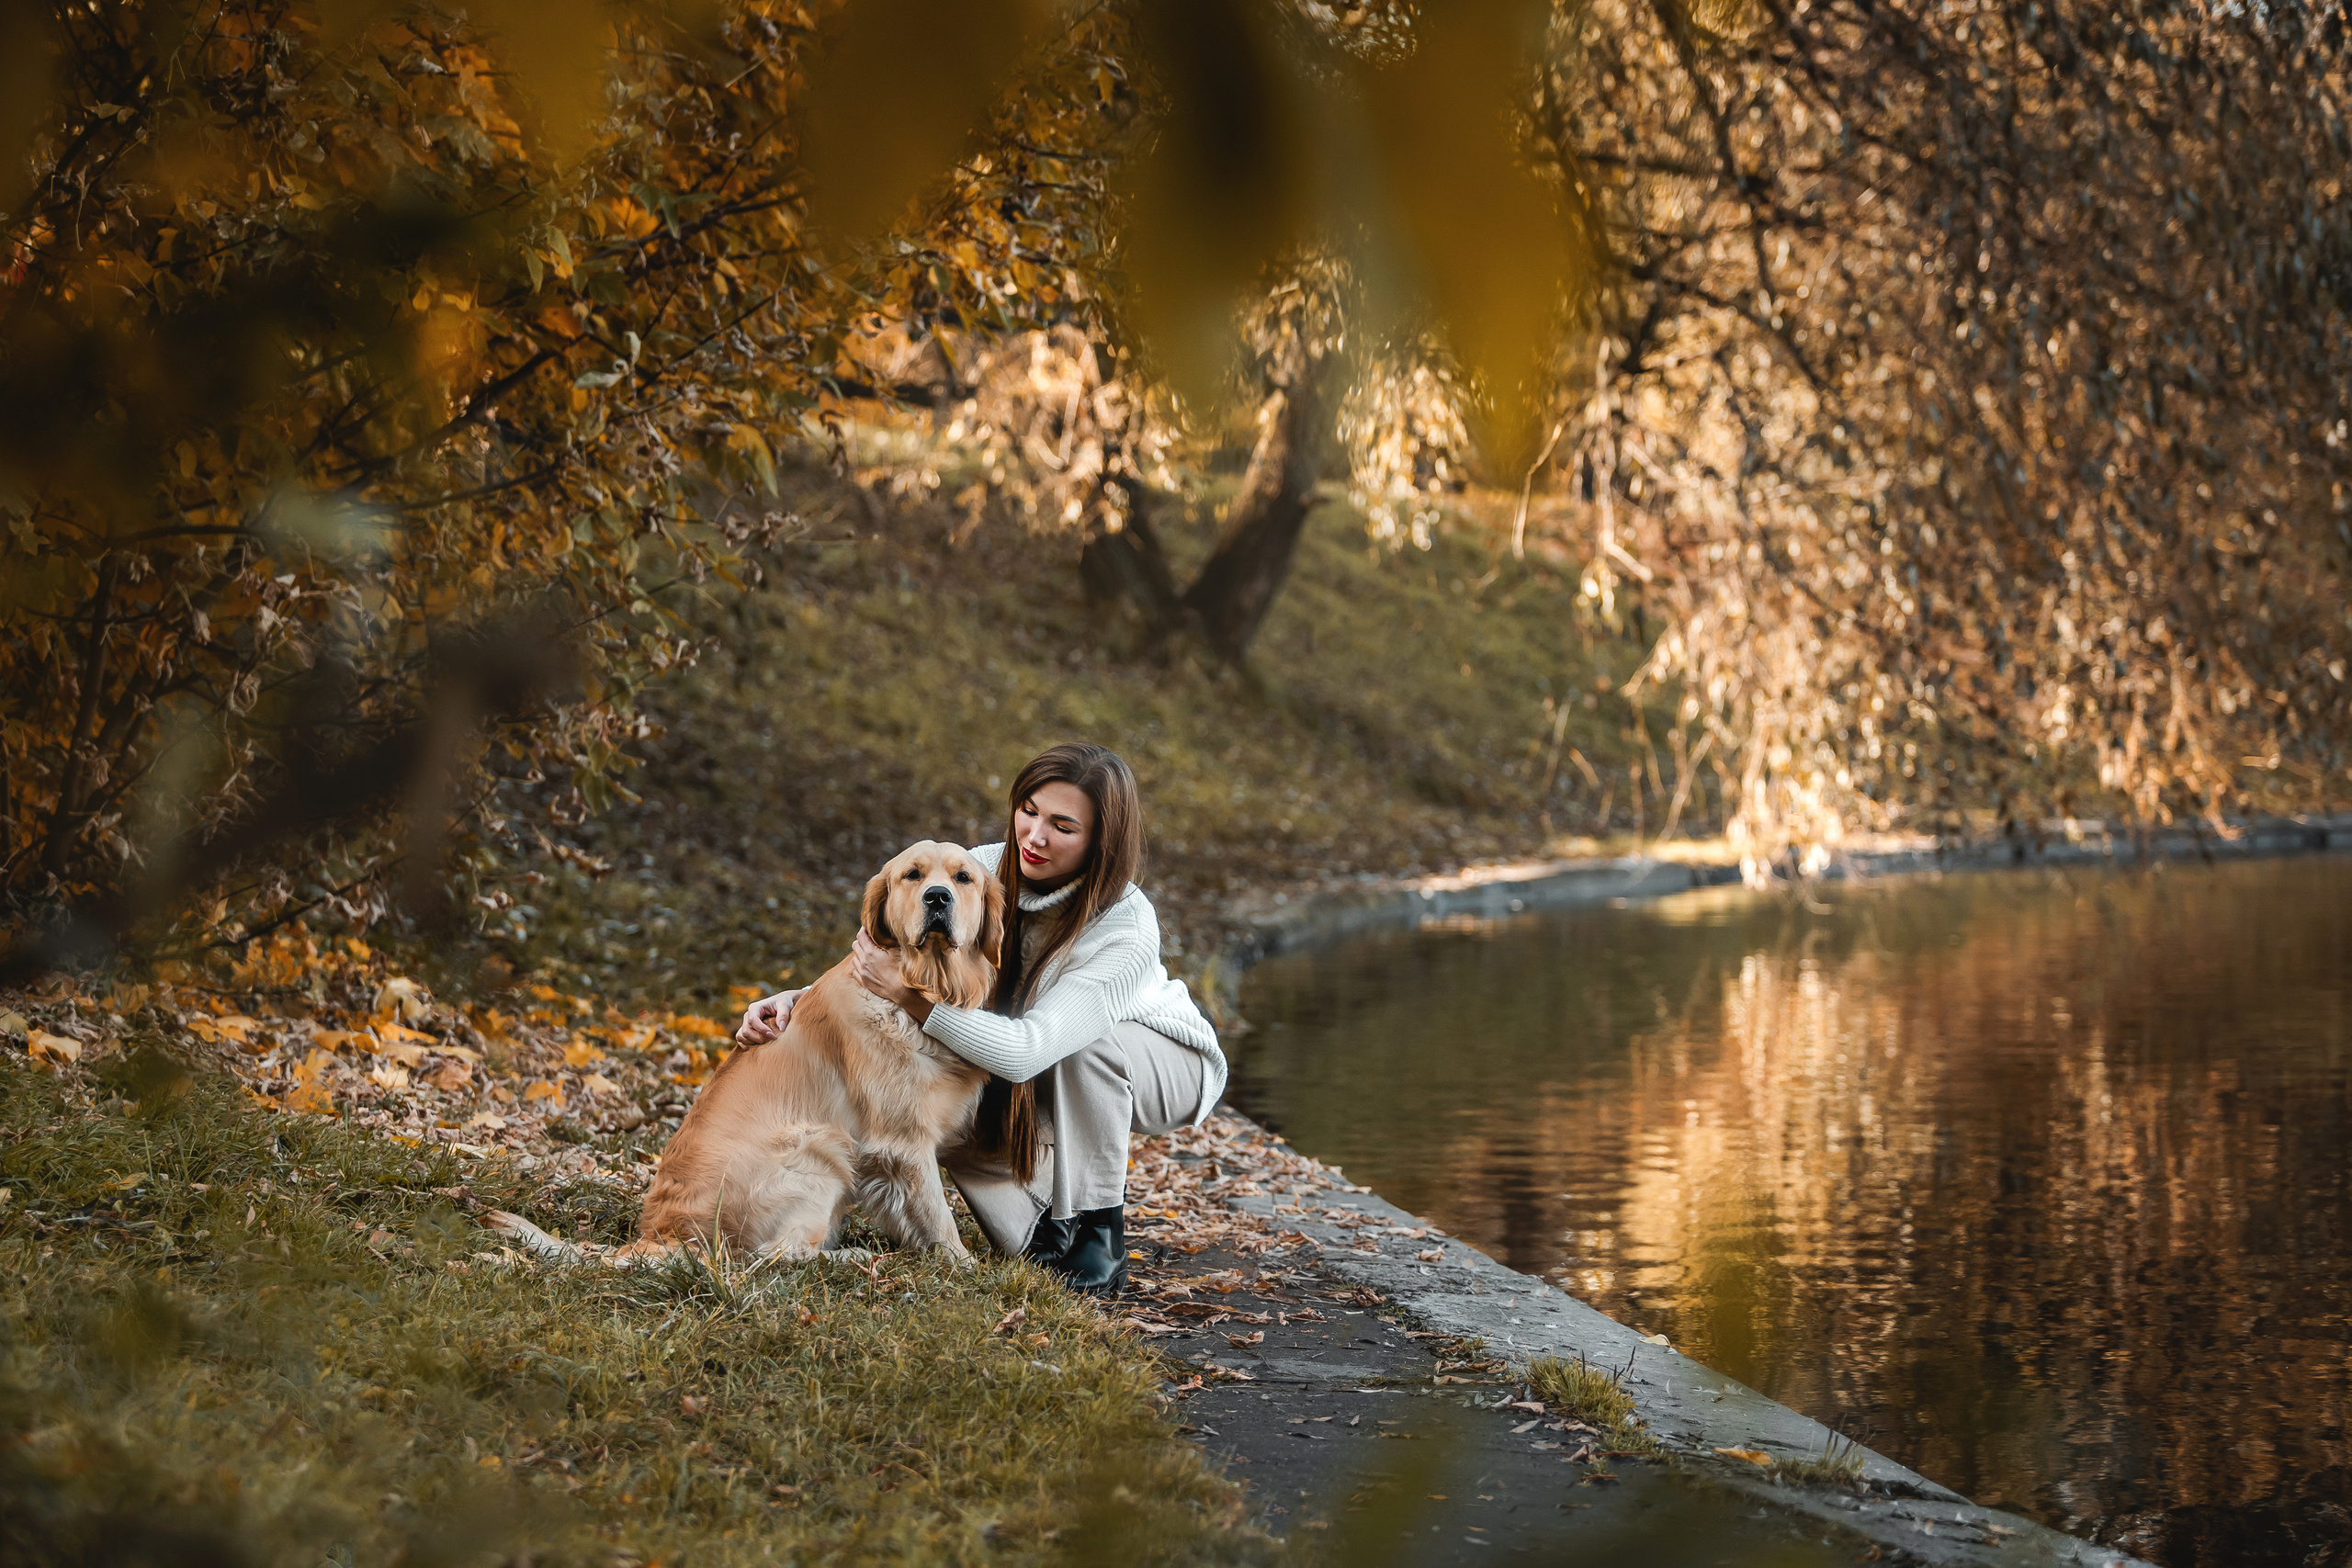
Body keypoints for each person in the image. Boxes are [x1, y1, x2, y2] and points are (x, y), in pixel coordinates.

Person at [734, 742, 1225, 1295]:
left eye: (1062, 826)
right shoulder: (975, 871)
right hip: (1043, 1053)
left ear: (1100, 841)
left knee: (1083, 1048)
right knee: (942, 1103)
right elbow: (898, 964)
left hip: (1156, 1062)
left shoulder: (1125, 924)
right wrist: (797, 1001)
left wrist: (914, 1001)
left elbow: (1027, 1050)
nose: (1034, 837)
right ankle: (1035, 1231)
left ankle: (1097, 1232)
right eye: (1029, 812)